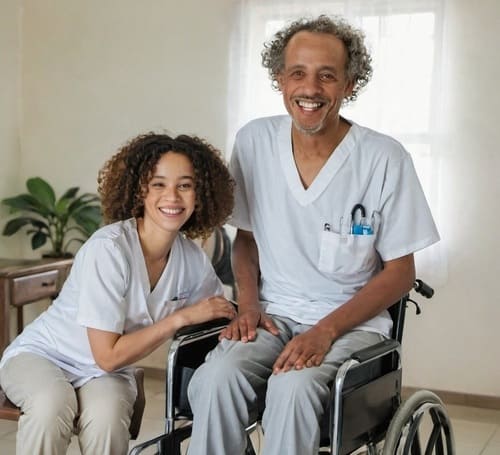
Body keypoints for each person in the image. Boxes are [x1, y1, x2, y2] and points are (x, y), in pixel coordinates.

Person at [187, 15, 440, 455]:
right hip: (274, 313)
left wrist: (325, 330)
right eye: (297, 73)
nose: (311, 88)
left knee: (293, 387)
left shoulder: (383, 158)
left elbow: (400, 273)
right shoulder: (253, 142)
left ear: (349, 84)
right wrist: (247, 306)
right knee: (214, 378)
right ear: (280, 80)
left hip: (351, 324)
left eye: (328, 75)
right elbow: (245, 240)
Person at [0, 132, 236, 455]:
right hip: (43, 355)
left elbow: (220, 311)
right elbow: (107, 355)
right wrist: (180, 318)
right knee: (51, 403)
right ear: (140, 190)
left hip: (105, 373)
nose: (173, 197)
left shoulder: (191, 259)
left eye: (185, 185)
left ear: (200, 194)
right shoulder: (108, 249)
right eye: (158, 184)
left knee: (108, 416)